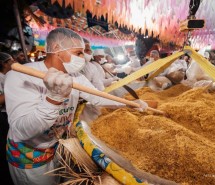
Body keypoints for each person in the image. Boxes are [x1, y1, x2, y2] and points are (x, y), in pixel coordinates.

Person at [4, 27, 147, 185]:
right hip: (31, 156)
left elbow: (97, 97)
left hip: (58, 145)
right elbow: (22, 131)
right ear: (57, 49)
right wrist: (54, 98)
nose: (84, 58)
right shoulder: (20, 75)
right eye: (78, 53)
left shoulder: (76, 77)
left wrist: (130, 104)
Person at [0, 52, 15, 185]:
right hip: (3, 115)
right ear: (4, 63)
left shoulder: (9, 76)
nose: (14, 61)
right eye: (11, 60)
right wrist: (12, 90)